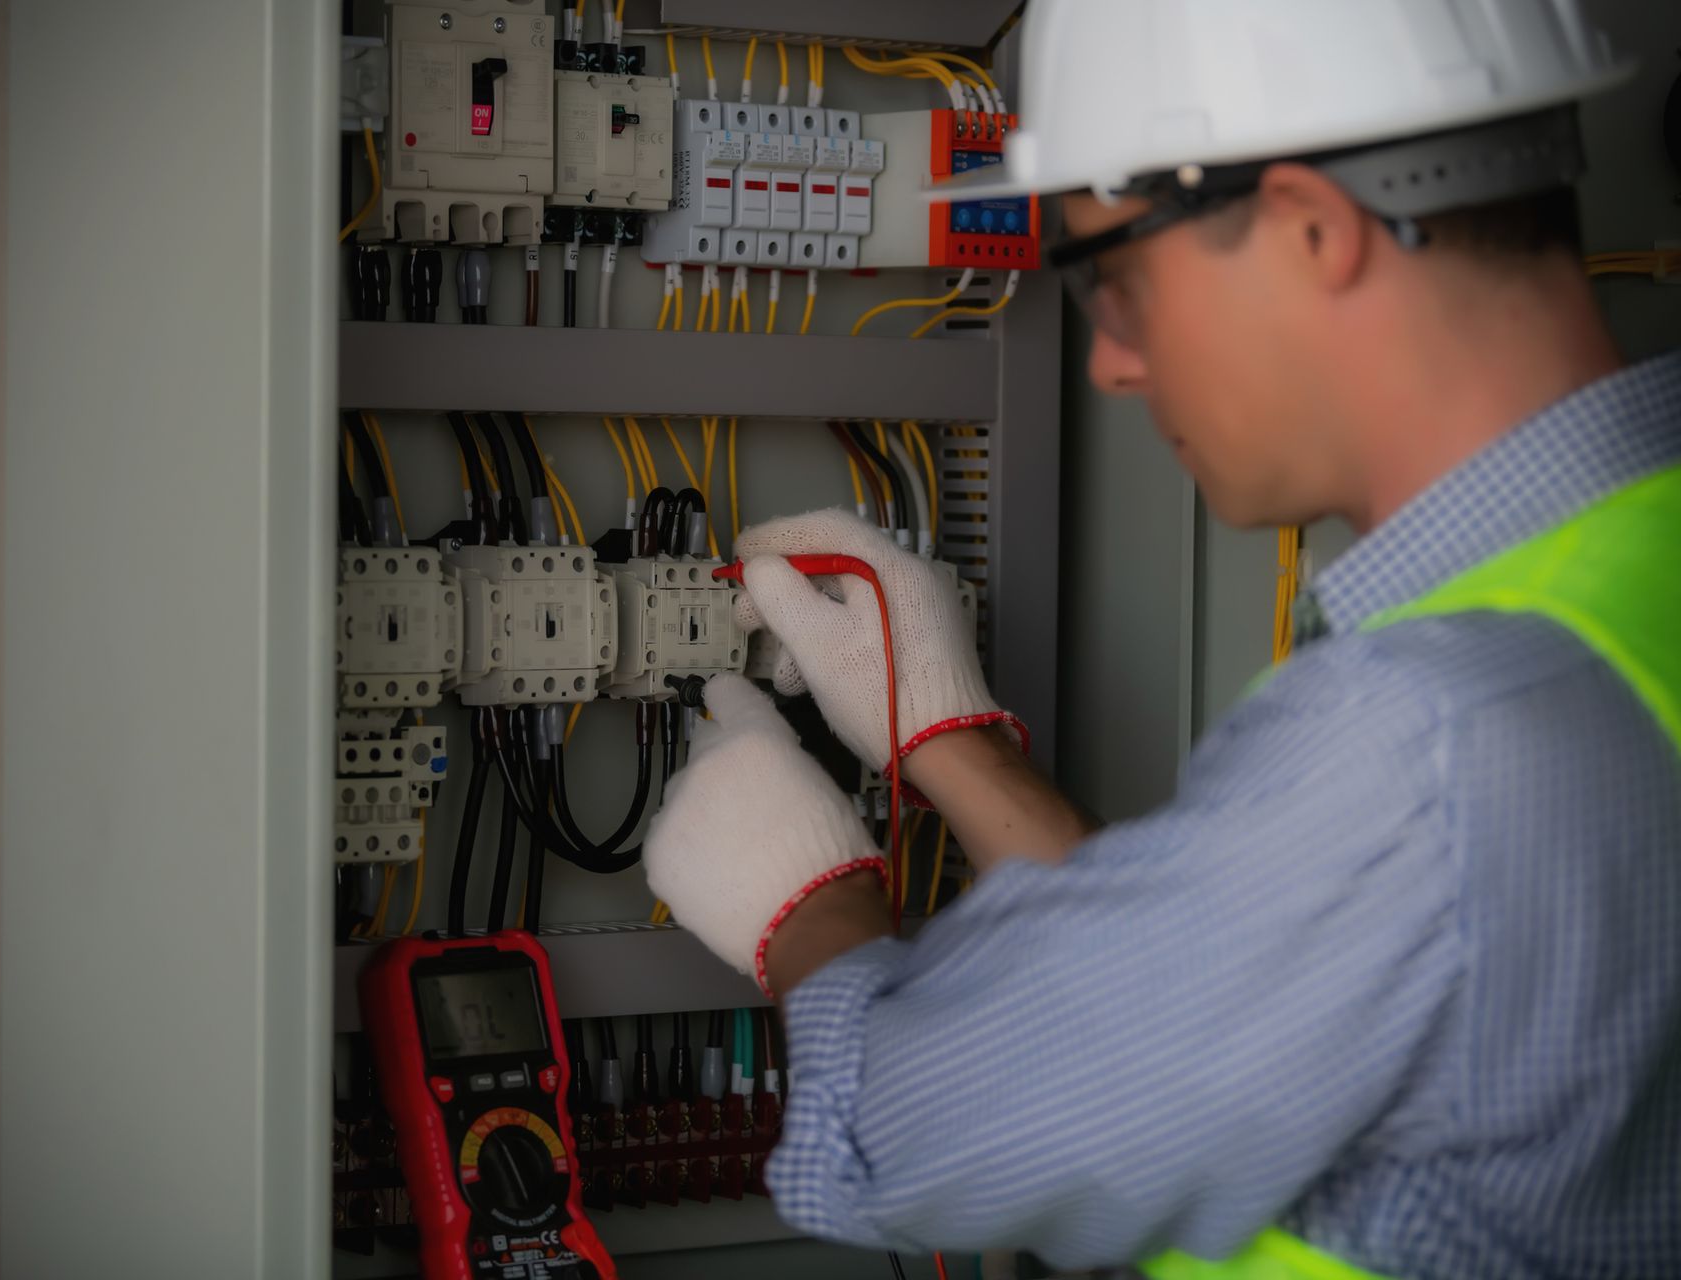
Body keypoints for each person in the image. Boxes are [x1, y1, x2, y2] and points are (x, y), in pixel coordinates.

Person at [643, 3, 1681, 1277]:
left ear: (1313, 228)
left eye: (1115, 278)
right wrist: (949, 744)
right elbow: (1224, 1003)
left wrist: (807, 903)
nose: (1111, 365)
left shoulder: (1422, 741)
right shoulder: (1617, 588)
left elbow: (903, 1131)